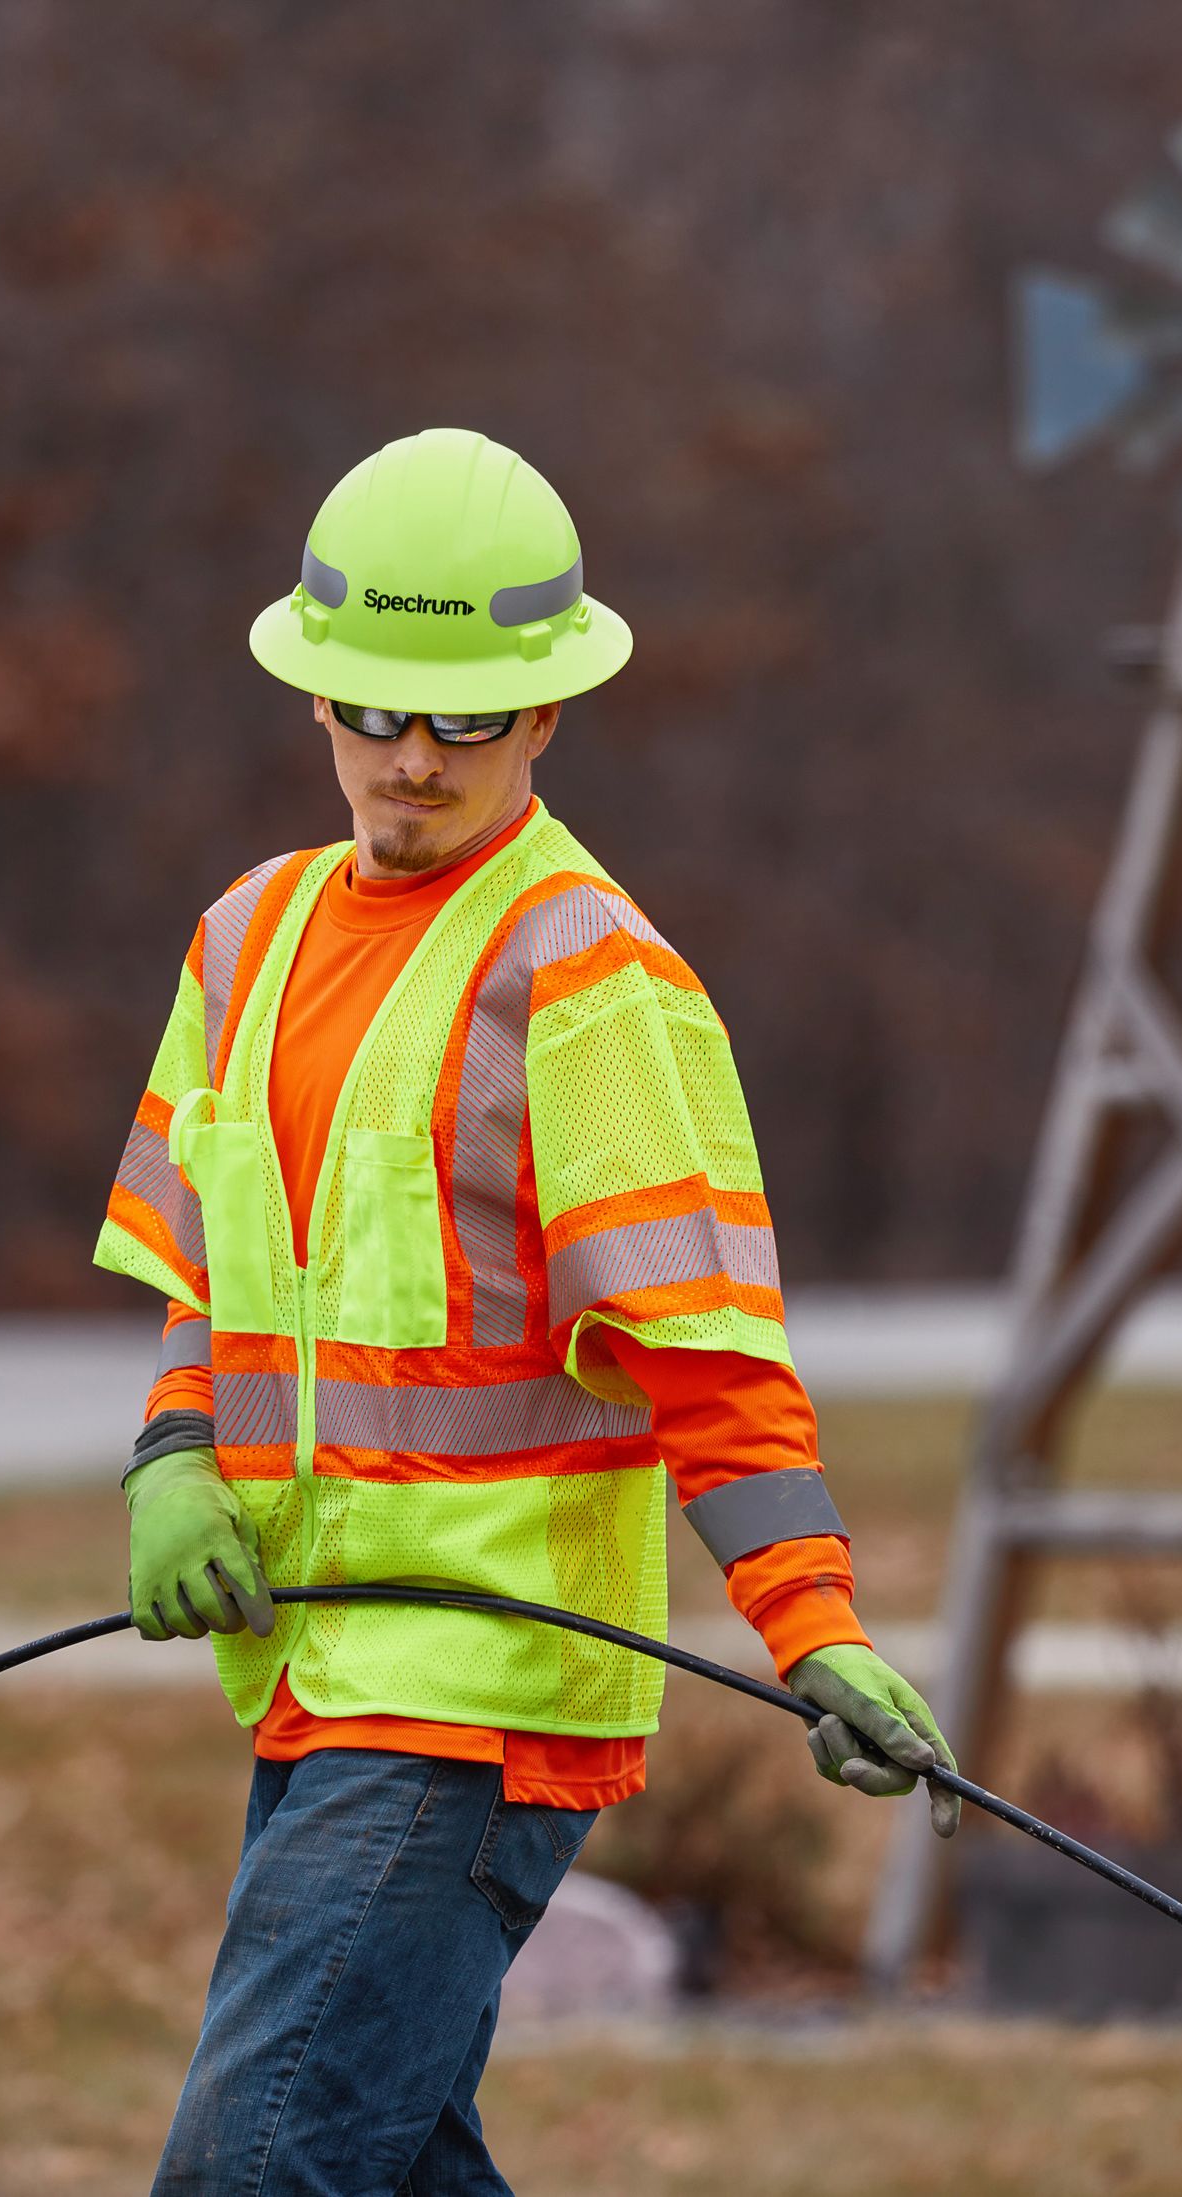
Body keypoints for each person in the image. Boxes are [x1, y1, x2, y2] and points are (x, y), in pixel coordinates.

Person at [95, 426, 954, 2196]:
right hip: (311, 1672)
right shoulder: (241, 940)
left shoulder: (587, 978)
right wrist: (170, 1460)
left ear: (546, 715)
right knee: (393, 2168)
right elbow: (209, 1279)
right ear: (314, 694)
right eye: (376, 712)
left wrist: (817, 1627)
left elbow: (705, 1354)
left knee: (252, 2172)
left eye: (466, 720)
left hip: (475, 1701)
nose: (413, 761)